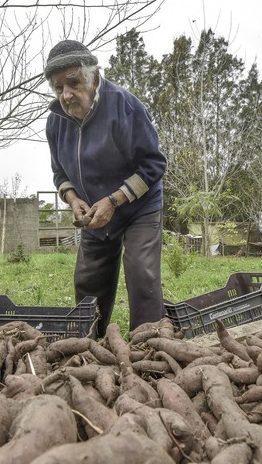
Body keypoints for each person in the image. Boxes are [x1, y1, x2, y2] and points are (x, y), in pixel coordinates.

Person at [44, 40, 167, 337]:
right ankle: (88, 344)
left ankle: (147, 344)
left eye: (73, 83)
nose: (67, 94)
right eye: (59, 87)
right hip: (95, 215)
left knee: (142, 273)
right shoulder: (56, 122)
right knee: (88, 282)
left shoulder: (125, 106)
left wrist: (114, 200)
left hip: (139, 207)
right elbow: (60, 172)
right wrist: (73, 200)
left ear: (94, 78)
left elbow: (153, 164)